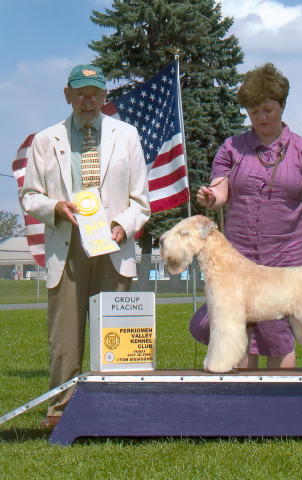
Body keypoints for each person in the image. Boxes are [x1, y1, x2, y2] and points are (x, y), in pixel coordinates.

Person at [192, 63, 302, 370]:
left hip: (286, 254)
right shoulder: (231, 148)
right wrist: (211, 197)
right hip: (240, 256)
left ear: (282, 106)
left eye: (267, 110)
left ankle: (280, 405)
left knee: (277, 333)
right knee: (222, 328)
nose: (261, 118)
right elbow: (220, 190)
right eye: (253, 112)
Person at [21, 64, 150, 427]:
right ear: (68, 95)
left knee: (118, 333)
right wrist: (55, 208)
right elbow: (30, 195)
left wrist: (123, 227)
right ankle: (61, 410)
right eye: (80, 93)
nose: (88, 100)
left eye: (94, 93)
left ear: (105, 96)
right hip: (68, 246)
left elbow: (141, 202)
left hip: (114, 246)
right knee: (64, 337)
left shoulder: (127, 136)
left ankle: (119, 409)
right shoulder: (46, 140)